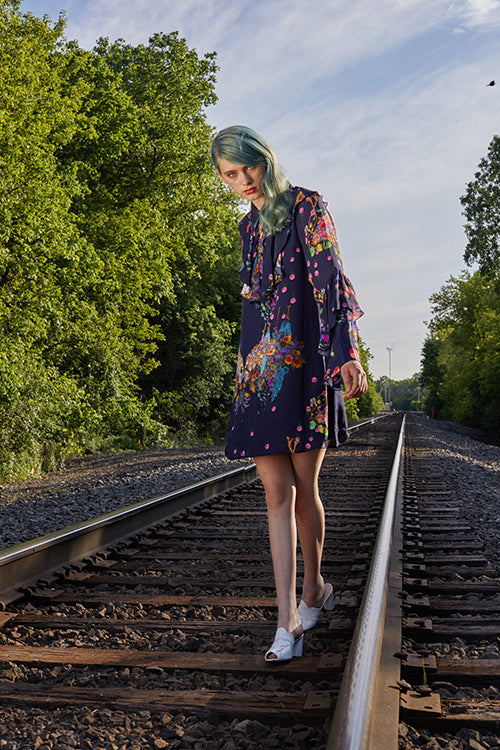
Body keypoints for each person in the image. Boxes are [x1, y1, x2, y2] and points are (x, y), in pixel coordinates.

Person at [211, 126, 367, 662]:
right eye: (229, 175)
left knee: (305, 490)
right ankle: (288, 622)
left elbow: (331, 283)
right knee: (275, 495)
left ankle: (316, 588)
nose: (241, 181)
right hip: (259, 373)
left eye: (246, 168)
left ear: (263, 161)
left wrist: (345, 352)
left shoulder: (308, 206)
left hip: (305, 368)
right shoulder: (247, 228)